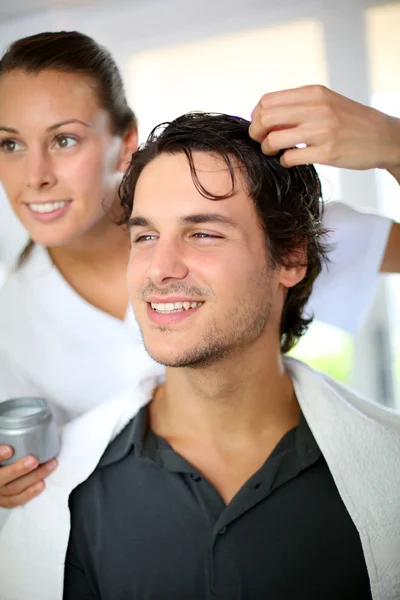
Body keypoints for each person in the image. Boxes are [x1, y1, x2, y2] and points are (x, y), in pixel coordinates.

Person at [0, 31, 399, 513]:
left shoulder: (261, 229)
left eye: (63, 139)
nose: (35, 175)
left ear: (125, 142)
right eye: (10, 144)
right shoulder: (13, 318)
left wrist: (392, 143)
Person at [58, 112, 398, 599]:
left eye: (203, 233)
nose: (160, 269)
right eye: (145, 235)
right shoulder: (69, 488)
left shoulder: (389, 472)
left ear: (291, 259)